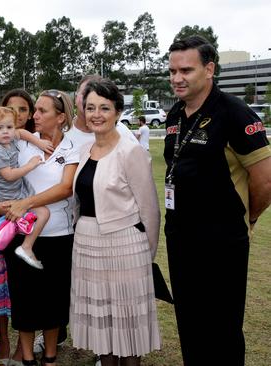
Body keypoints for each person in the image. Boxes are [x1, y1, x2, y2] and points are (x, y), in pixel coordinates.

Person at [165, 35, 271, 365]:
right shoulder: (174, 115)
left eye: (186, 70)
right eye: (172, 71)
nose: (177, 78)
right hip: (180, 238)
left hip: (221, 241)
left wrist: (245, 219)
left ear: (209, 69)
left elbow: (265, 181)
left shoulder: (235, 113)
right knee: (190, 324)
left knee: (222, 330)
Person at [70, 78, 161, 366]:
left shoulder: (130, 150)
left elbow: (150, 209)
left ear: (118, 113)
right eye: (91, 107)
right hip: (87, 243)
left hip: (125, 246)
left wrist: (147, 254)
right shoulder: (84, 152)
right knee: (102, 329)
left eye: (104, 108)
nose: (96, 114)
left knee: (127, 327)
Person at [0, 90, 79, 366]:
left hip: (59, 235)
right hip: (23, 235)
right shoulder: (23, 145)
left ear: (61, 117)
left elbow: (65, 188)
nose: (34, 115)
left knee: (54, 301)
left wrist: (26, 202)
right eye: (36, 110)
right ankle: (28, 358)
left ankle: (50, 357)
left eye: (42, 111)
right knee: (25, 300)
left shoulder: (72, 147)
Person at [0, 89, 36, 366]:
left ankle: (23, 343)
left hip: (29, 222)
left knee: (25, 288)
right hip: (2, 222)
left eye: (23, 111)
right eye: (10, 111)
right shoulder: (1, 142)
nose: (16, 118)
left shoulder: (32, 142)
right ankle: (3, 338)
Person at [0, 106, 53, 269]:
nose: (6, 131)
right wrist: (31, 165)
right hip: (6, 197)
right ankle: (26, 247)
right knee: (43, 212)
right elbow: (9, 175)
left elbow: (22, 133)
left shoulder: (9, 138)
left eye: (9, 127)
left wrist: (39, 142)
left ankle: (23, 243)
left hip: (16, 190)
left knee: (37, 213)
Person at [67, 74, 138, 147]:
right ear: (75, 98)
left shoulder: (121, 132)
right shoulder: (62, 131)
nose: (90, 99)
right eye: (85, 94)